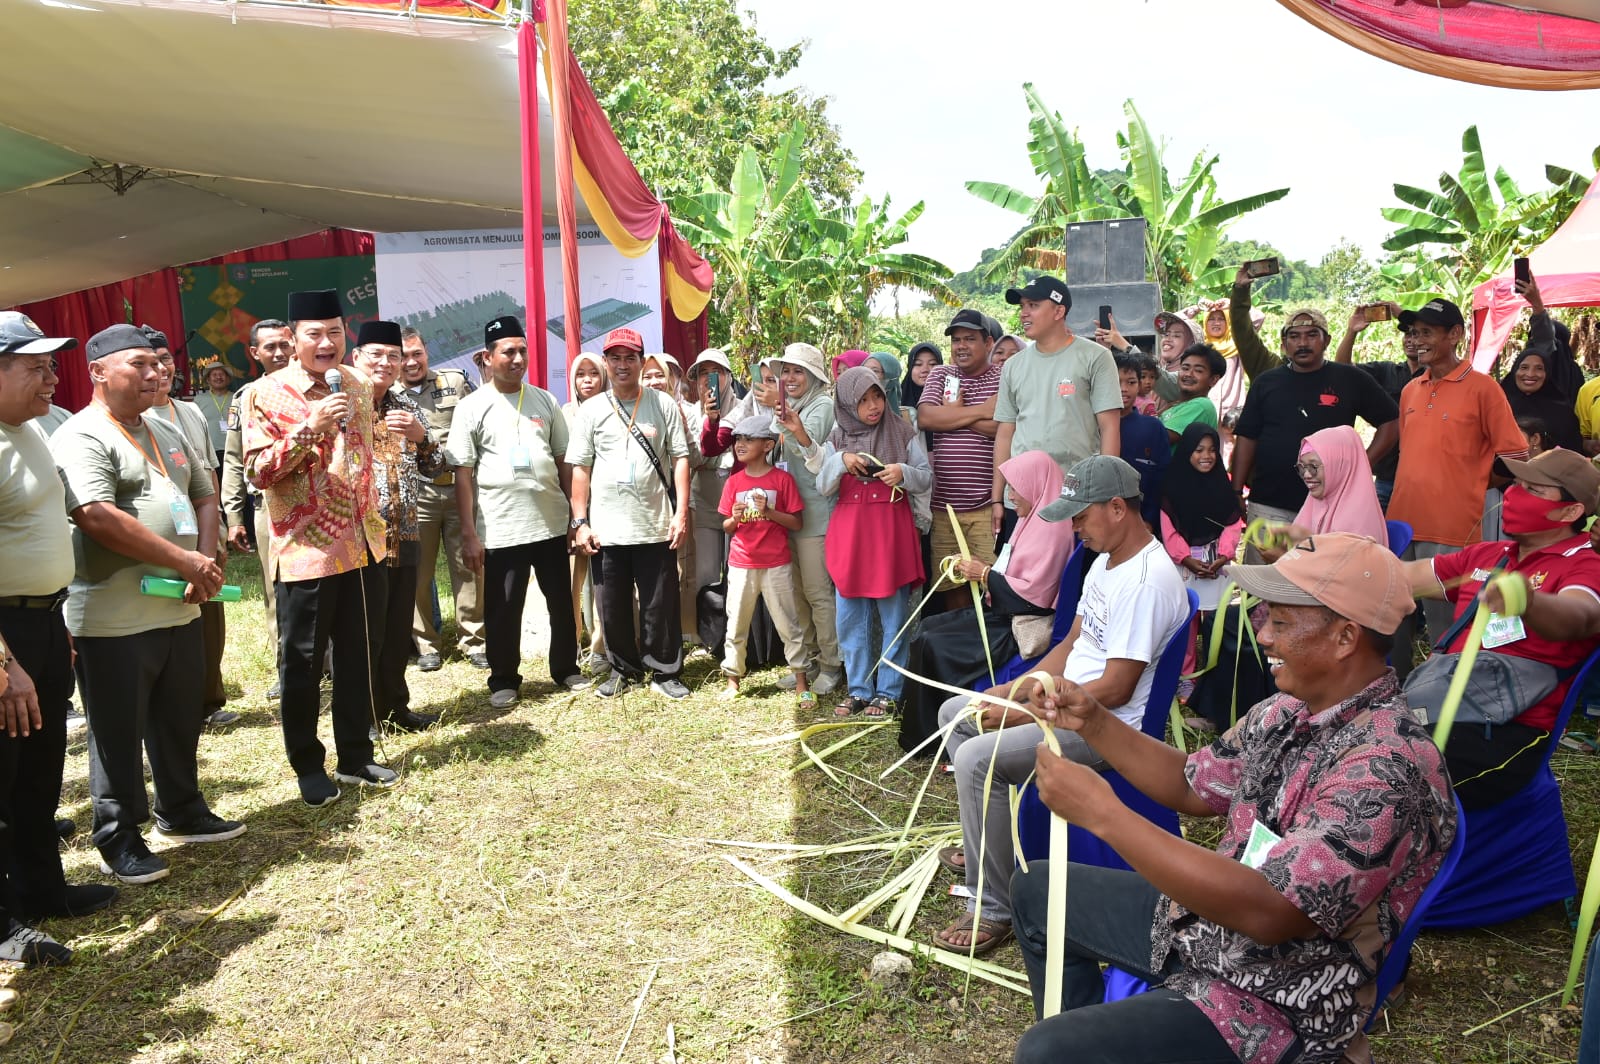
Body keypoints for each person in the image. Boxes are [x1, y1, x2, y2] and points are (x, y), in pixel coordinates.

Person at [1009, 532, 1455, 1064]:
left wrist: (1104, 815)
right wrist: (1096, 721)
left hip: (1278, 1002)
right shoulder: (1286, 712)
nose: (1263, 636)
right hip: (1208, 930)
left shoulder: (1387, 767)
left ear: (1345, 638)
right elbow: (1193, 783)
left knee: (1047, 1051)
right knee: (1041, 892)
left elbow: (1272, 913)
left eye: (1282, 622)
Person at [932, 455, 1189, 954]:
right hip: (1070, 702)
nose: (1074, 527)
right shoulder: (1107, 561)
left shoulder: (1146, 583)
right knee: (956, 716)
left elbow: (1115, 689)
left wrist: (1029, 706)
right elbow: (1071, 641)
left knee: (975, 758)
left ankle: (996, 909)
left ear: (1117, 508)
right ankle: (988, 845)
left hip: (1103, 727)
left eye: (1080, 515)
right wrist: (1015, 690)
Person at [55, 324, 245, 884]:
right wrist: (187, 561)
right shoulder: (83, 434)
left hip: (180, 603)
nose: (154, 372)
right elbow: (93, 515)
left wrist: (203, 560)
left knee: (178, 714)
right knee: (116, 730)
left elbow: (203, 494)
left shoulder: (163, 426)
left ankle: (182, 810)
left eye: (155, 364)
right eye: (137, 364)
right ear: (97, 372)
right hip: (115, 616)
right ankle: (119, 836)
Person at [242, 288, 396, 806]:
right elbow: (258, 471)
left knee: (359, 654)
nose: (326, 343)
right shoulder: (263, 394)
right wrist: (310, 429)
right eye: (314, 334)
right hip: (306, 549)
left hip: (362, 543)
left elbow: (369, 451)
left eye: (335, 332)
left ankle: (356, 753)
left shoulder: (355, 384)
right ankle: (308, 763)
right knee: (303, 662)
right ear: (292, 339)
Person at [0, 312, 114, 961]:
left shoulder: (37, 428)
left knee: (40, 770)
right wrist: (4, 663)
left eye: (51, 365)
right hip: (4, 634)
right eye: (34, 366)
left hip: (43, 620)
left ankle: (43, 888)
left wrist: (55, 622)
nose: (50, 377)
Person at [1401, 447, 1600, 808]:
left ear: (1571, 511)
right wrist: (1319, 555)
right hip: (1439, 702)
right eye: (1517, 483)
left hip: (1506, 731)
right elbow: (1400, 578)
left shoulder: (1585, 564)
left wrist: (1530, 601)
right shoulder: (1489, 555)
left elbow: (1581, 615)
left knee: (1385, 776)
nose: (1512, 494)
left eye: (1533, 490)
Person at [1387, 298, 1528, 675]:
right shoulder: (1410, 390)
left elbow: (1517, 455)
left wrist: (1482, 488)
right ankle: (1390, 697)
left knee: (1445, 629)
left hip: (1453, 530)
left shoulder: (1484, 389)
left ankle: (1441, 709)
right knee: (1391, 617)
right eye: (1415, 333)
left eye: (1427, 332)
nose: (1418, 340)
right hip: (1401, 524)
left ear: (1455, 335)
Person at [900, 452, 1074, 751]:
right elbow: (1012, 573)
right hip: (1005, 613)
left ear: (1035, 485)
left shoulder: (1052, 530)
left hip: (1020, 625)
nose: (1009, 496)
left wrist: (983, 574)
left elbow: (1032, 599)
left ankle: (935, 734)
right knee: (928, 626)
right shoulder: (1030, 520)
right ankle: (914, 718)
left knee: (934, 642)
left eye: (1015, 488)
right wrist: (980, 570)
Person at [449, 317, 582, 709]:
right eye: (508, 352)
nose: (518, 358)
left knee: (561, 602)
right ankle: (504, 678)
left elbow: (565, 463)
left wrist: (577, 518)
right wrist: (469, 535)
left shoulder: (544, 400)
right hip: (501, 528)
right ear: (488, 358)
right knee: (503, 608)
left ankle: (566, 668)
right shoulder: (471, 407)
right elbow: (462, 476)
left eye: (522, 350)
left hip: (551, 524)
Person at [568, 327, 692, 699]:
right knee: (613, 605)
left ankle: (664, 670)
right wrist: (581, 521)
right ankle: (623, 669)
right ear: (606, 364)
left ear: (641, 362)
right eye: (615, 358)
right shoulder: (591, 410)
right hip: (607, 530)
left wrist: (681, 511)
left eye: (630, 357)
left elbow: (681, 457)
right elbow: (580, 469)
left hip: (655, 524)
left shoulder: (662, 404)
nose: (623, 365)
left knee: (660, 603)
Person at [1230, 297, 1398, 562]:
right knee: (1263, 586)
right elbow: (1247, 438)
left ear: (1327, 341)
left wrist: (1362, 462)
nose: (1303, 343)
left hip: (1331, 506)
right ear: (1284, 345)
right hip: (1271, 504)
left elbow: (1391, 423)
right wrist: (1237, 490)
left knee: (1321, 585)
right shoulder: (1266, 383)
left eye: (1311, 335)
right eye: (1294, 337)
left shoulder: (1349, 379)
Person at [805, 366, 931, 718]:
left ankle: (888, 692)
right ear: (846, 404)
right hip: (850, 532)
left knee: (893, 614)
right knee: (850, 615)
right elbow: (822, 486)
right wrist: (841, 462)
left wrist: (903, 474)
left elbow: (925, 478)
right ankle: (859, 688)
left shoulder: (902, 430)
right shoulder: (836, 438)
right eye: (863, 400)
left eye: (877, 396)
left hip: (889, 530)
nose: (873, 405)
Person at [353, 322, 447, 732]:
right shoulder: (344, 405)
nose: (386, 363)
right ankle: (364, 714)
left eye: (393, 356)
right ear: (356, 358)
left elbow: (436, 466)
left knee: (395, 630)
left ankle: (395, 707)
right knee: (363, 633)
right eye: (376, 354)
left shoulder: (404, 406)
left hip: (405, 533)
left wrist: (422, 436)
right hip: (360, 541)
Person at [146, 335, 235, 727]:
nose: (160, 370)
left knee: (209, 616)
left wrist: (218, 530)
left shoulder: (190, 412)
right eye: (149, 363)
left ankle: (210, 700)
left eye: (165, 360)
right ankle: (171, 705)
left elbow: (209, 473)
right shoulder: (128, 418)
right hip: (162, 539)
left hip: (202, 527)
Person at [992, 275, 1121, 542]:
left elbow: (1109, 427)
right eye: (1022, 306)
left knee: (1072, 579)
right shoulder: (1013, 365)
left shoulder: (1096, 356)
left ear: (1059, 311)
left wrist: (1103, 495)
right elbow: (1005, 432)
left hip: (1076, 495)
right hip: (1022, 498)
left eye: (1033, 305)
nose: (1024, 313)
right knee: (1021, 580)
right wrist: (997, 498)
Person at [400, 326, 485, 672]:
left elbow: (479, 418)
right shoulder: (387, 394)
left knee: (469, 564)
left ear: (427, 352)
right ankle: (426, 644)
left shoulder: (455, 382)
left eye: (416, 353)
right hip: (417, 493)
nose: (410, 362)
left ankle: (475, 640)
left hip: (460, 488)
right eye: (403, 356)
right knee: (418, 571)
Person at [221, 319, 293, 700]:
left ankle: (330, 661)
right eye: (270, 347)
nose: (279, 353)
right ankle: (287, 667)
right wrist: (234, 516)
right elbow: (233, 460)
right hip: (270, 506)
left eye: (284, 344)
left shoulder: (315, 388)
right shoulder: (245, 397)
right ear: (255, 353)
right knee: (276, 588)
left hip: (323, 506)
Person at [717, 415, 810, 704]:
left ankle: (801, 680)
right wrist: (735, 518)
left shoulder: (782, 480)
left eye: (748, 439)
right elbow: (726, 526)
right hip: (741, 563)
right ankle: (733, 680)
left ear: (768, 445)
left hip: (776, 563)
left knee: (789, 623)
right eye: (737, 440)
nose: (740, 445)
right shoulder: (734, 482)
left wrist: (769, 512)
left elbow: (796, 523)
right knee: (736, 623)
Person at [768, 343, 843, 695]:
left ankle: (832, 664)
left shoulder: (822, 405)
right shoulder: (788, 405)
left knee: (817, 593)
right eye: (786, 371)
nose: (790, 377)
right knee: (798, 594)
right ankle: (809, 662)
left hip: (816, 516)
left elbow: (807, 447)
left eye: (798, 371)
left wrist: (789, 427)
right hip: (788, 514)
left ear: (813, 377)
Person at [920, 308, 1003, 610]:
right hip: (944, 507)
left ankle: (989, 653)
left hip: (986, 504)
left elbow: (1003, 427)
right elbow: (927, 417)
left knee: (991, 582)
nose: (961, 346)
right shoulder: (941, 374)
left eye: (970, 338)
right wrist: (982, 410)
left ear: (989, 342)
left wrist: (953, 414)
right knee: (950, 585)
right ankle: (960, 648)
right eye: (956, 340)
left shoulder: (1003, 376)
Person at [1334, 301, 1418, 510]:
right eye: (1407, 335)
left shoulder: (1437, 374)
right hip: (1386, 476)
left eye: (1417, 334)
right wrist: (1351, 332)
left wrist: (1402, 314)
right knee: (1378, 538)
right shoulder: (1386, 370)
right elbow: (1343, 369)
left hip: (1423, 477)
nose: (1411, 340)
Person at [1159, 424, 1243, 614]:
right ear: (1187, 450)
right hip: (1185, 566)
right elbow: (1169, 529)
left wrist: (1223, 556)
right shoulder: (1173, 487)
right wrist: (1186, 559)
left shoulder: (1221, 484)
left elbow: (1232, 522)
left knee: (1217, 616)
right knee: (1186, 615)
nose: (1207, 456)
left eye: (1213, 450)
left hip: (1217, 564)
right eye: (1199, 450)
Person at [562, 351, 609, 661]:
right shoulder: (564, 413)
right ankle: (573, 644)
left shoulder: (613, 409)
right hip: (571, 510)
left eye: (593, 373)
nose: (587, 380)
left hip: (606, 508)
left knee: (604, 582)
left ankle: (602, 647)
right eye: (581, 374)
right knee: (572, 583)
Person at [1285, 425, 1389, 547]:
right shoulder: (1316, 503)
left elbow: (1333, 565)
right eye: (1302, 467)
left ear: (1340, 466)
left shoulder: (1357, 523)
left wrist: (1280, 558)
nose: (1306, 475)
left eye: (1313, 467)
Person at [1112, 353, 1169, 529]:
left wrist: (1150, 521)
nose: (1123, 388)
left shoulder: (1153, 428)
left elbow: (1162, 478)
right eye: (1116, 381)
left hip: (1140, 523)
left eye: (1131, 382)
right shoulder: (1091, 425)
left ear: (1139, 386)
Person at [1499, 344, 1584, 454]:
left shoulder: (1562, 412)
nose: (1530, 374)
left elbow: (1573, 452)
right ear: (1515, 370)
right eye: (1524, 367)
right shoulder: (1497, 406)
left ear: (1547, 373)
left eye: (1539, 368)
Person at [1158, 344, 1225, 447]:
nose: (1189, 374)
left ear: (1213, 380)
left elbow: (1160, 438)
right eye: (1185, 368)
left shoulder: (1201, 405)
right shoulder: (1177, 405)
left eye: (1198, 371)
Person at [194, 362, 233, 469]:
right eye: (214, 375)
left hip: (233, 451)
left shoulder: (236, 398)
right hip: (209, 452)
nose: (218, 377)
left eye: (221, 374)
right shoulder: (198, 400)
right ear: (208, 380)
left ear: (228, 379)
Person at [903, 341, 942, 427]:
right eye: (918, 364)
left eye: (932, 364)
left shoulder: (951, 399)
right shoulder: (897, 401)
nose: (925, 370)